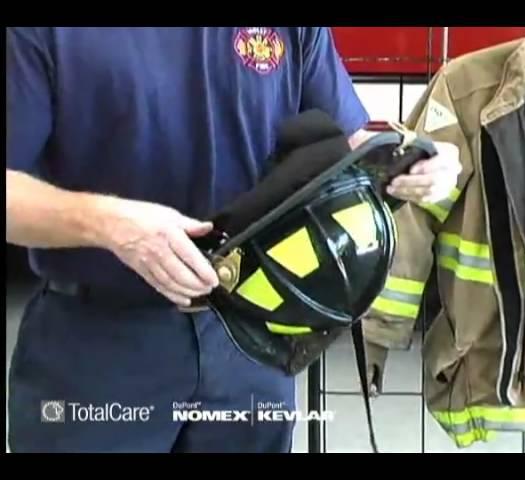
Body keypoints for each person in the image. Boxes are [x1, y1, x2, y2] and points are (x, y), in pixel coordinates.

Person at [6, 27, 462, 453]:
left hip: (252, 337)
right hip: (98, 350)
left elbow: (342, 142)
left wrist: (412, 164)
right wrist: (108, 223)